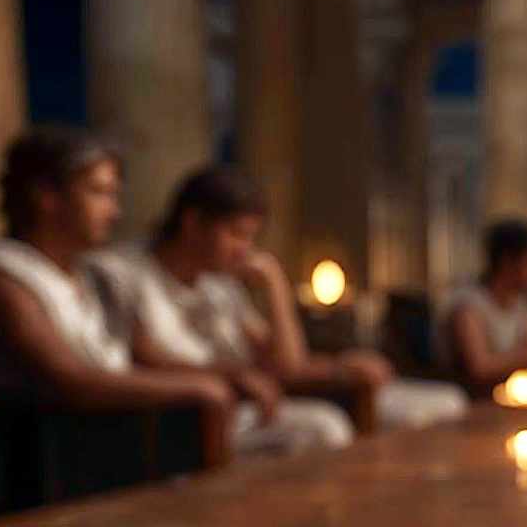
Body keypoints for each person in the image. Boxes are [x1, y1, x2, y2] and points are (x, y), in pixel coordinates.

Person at [89, 166, 464, 439]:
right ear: (192, 222)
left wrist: (275, 285)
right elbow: (140, 356)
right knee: (324, 428)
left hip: (236, 403)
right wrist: (232, 376)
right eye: (236, 234)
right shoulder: (125, 273)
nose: (245, 250)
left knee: (444, 402)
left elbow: (287, 363)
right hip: (181, 414)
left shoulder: (220, 286)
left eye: (250, 238)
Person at [0, 128, 235, 428]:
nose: (114, 212)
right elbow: (73, 382)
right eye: (99, 193)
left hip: (111, 433)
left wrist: (229, 376)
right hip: (50, 446)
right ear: (46, 196)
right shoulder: (1, 280)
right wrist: (201, 389)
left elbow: (146, 355)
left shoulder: (91, 275)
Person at [438, 218, 527, 387]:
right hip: (467, 398)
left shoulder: (522, 306)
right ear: (507, 261)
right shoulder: (468, 305)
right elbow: (480, 368)